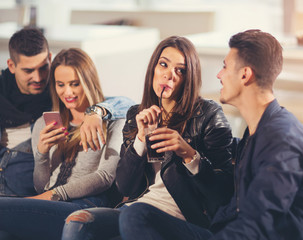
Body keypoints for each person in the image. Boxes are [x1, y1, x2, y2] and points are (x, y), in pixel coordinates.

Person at [114, 30, 303, 240]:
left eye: (225, 66)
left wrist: (190, 156)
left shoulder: (280, 138)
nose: (219, 74)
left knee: (136, 217)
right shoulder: (256, 133)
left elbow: (259, 223)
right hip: (230, 229)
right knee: (133, 216)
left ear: (245, 75)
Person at [61, 36, 234, 240]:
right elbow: (125, 187)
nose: (169, 75)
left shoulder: (208, 114)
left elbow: (223, 193)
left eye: (180, 70)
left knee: (135, 214)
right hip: (135, 210)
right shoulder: (137, 114)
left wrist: (189, 154)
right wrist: (140, 139)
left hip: (182, 219)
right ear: (153, 68)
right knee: (77, 221)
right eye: (163, 65)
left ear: (189, 78)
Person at [0, 48, 129, 240]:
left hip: (85, 205)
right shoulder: (44, 124)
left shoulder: (112, 120)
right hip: (50, 206)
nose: (67, 92)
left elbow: (105, 176)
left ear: (88, 81)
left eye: (74, 84)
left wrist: (52, 195)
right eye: (60, 84)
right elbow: (41, 186)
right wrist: (42, 153)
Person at [0, 27, 132, 197]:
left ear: (49, 58)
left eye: (42, 68)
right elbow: (42, 184)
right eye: (28, 71)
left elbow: (128, 104)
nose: (39, 78)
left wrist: (96, 111)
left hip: (25, 190)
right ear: (11, 66)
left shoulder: (58, 87)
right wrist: (41, 152)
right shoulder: (5, 88)